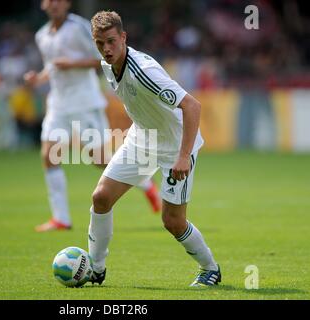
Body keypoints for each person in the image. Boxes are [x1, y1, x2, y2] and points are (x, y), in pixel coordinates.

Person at [87, 10, 221, 287]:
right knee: (101, 197)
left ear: (123, 37)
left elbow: (192, 106)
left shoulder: (144, 72)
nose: (106, 49)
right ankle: (95, 268)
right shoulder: (106, 65)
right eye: (100, 43)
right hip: (141, 140)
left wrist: (184, 156)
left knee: (173, 221)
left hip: (175, 146)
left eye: (111, 41)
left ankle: (211, 268)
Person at [24, 0, 161, 232]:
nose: (54, 4)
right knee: (49, 156)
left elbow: (101, 59)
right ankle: (61, 219)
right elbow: (52, 67)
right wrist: (38, 79)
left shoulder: (79, 27)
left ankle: (145, 182)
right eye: (50, 1)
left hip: (85, 102)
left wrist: (72, 64)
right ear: (43, 5)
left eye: (59, 0)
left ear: (67, 4)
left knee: (99, 160)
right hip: (58, 104)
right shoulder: (42, 36)